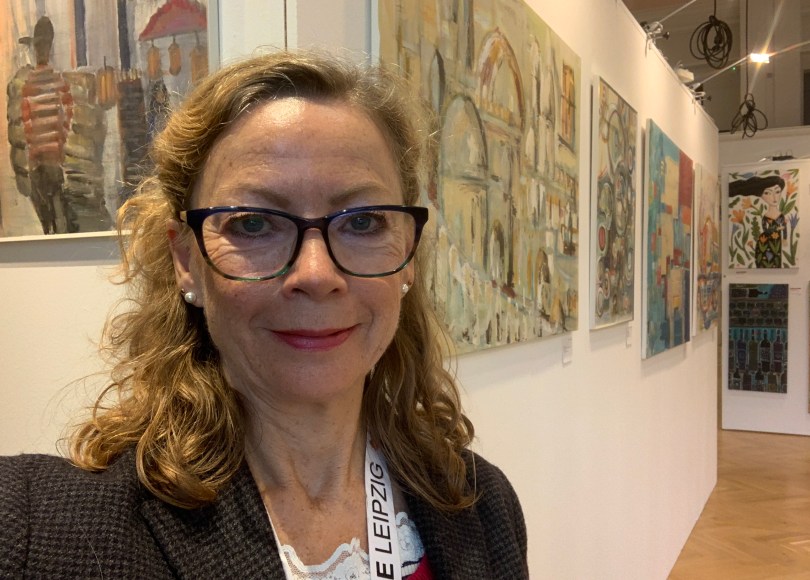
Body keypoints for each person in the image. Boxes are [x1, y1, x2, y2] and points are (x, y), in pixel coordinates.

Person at [0, 51, 528, 579]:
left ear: (408, 252)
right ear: (186, 260)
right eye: (253, 224)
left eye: (364, 222)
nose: (316, 274)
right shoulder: (36, 525)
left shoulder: (483, 507)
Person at [18, 15, 75, 234]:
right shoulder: (57, 80)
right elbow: (68, 111)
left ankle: (50, 232)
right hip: (50, 157)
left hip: (40, 159)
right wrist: (60, 137)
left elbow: (27, 124)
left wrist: (36, 144)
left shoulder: (29, 84)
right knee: (55, 205)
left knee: (47, 210)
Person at [729, 174, 787, 268]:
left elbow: (785, 228)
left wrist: (785, 238)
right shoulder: (765, 216)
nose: (774, 197)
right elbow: (765, 229)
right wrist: (777, 229)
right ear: (761, 196)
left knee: (776, 261)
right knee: (764, 263)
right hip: (764, 241)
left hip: (777, 241)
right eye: (767, 193)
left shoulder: (781, 215)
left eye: (777, 192)